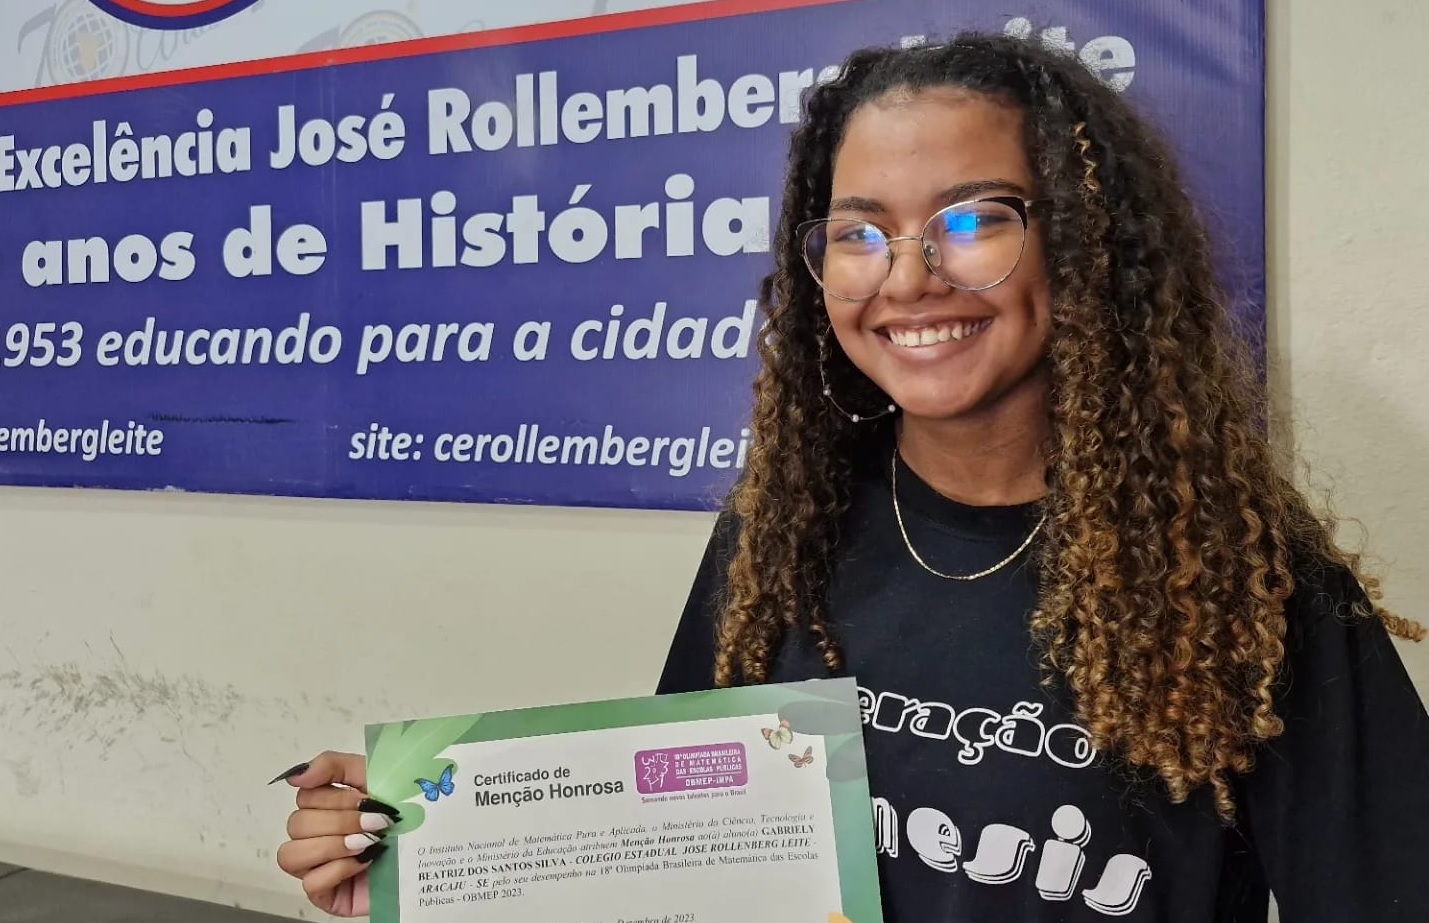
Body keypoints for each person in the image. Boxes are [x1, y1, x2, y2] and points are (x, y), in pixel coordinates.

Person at [269, 30, 1429, 922]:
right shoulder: (780, 539)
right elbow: (675, 870)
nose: (908, 278)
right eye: (858, 231)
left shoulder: (1243, 584)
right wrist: (431, 852)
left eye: (973, 220)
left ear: (1082, 244)